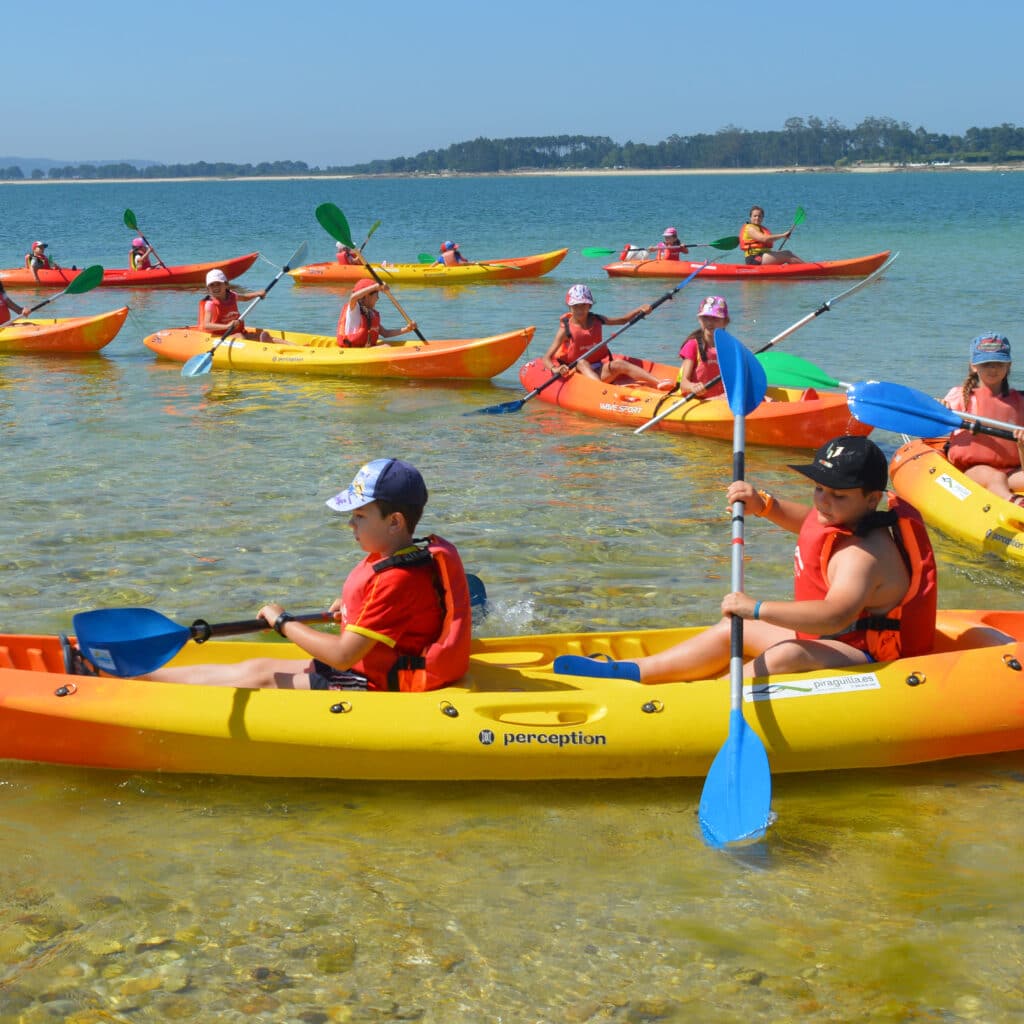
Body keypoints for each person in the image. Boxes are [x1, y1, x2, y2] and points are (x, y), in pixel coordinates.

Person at [555, 436, 937, 684]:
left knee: (787, 653)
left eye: (838, 496)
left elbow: (836, 614)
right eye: (819, 489)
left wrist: (757, 608)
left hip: (868, 656)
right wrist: (763, 505)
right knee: (729, 629)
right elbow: (809, 523)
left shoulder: (863, 555)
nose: (823, 501)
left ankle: (713, 696)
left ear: (871, 500)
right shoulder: (840, 518)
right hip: (839, 637)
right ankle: (632, 673)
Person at [146, 458, 472, 692]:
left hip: (374, 684)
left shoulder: (398, 578)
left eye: (359, 515)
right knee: (257, 666)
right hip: (370, 665)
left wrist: (283, 622)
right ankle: (142, 679)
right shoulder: (405, 557)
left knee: (261, 679)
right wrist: (352, 610)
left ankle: (138, 688)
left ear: (395, 522)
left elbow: (343, 657)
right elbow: (398, 613)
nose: (350, 524)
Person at [942, 333, 1024, 505]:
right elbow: (934, 429)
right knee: (996, 477)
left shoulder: (1019, 402)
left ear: (1008, 366)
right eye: (986, 364)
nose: (993, 369)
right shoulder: (958, 397)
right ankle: (1014, 503)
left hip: (1012, 472)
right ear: (974, 366)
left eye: (999, 364)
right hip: (975, 470)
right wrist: (939, 409)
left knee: (1004, 477)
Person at [541, 284, 673, 388]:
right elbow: (546, 358)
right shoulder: (565, 330)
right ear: (570, 307)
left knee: (619, 363)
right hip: (577, 372)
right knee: (582, 362)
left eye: (584, 305)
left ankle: (658, 382)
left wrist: (640, 310)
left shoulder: (597, 319)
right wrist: (556, 369)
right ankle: (602, 391)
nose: (580, 310)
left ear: (590, 305)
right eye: (576, 306)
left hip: (598, 370)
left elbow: (622, 320)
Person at [198, 268, 276, 344]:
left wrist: (257, 293)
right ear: (208, 288)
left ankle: (287, 345)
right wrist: (227, 326)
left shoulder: (232, 296)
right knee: (240, 336)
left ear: (226, 284)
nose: (215, 287)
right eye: (212, 285)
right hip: (220, 335)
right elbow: (206, 325)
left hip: (235, 332)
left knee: (261, 335)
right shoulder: (210, 304)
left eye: (218, 283)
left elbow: (245, 298)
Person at [337, 278, 419, 347]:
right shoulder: (354, 309)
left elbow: (386, 333)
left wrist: (407, 329)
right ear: (366, 296)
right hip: (353, 350)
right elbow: (353, 297)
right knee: (386, 347)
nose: (378, 298)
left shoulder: (370, 314)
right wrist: (375, 287)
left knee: (386, 346)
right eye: (376, 294)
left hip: (365, 350)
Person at [673, 295, 728, 399]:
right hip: (698, 400)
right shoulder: (693, 345)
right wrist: (693, 386)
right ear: (699, 319)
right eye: (705, 318)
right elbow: (684, 383)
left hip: (718, 398)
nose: (709, 322)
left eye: (715, 318)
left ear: (725, 322)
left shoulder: (729, 348)